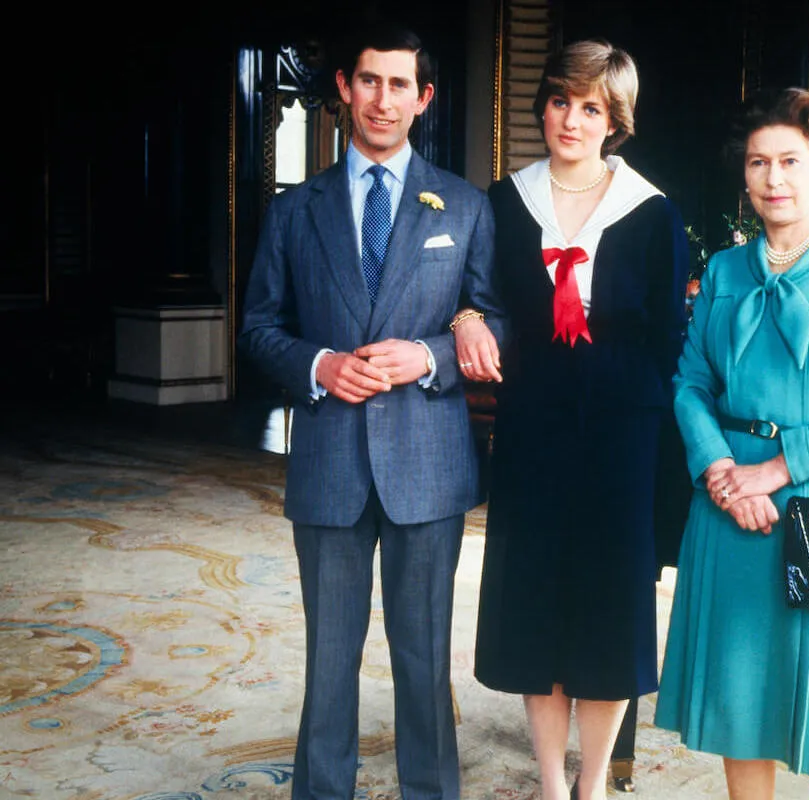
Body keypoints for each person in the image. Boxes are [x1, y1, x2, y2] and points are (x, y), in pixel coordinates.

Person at [239, 26, 504, 800]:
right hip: (327, 459)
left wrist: (431, 355)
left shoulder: (464, 204)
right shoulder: (296, 211)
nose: (381, 100)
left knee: (423, 657)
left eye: (399, 85)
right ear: (344, 92)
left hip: (428, 464)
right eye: (368, 82)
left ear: (423, 99)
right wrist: (318, 365)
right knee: (330, 658)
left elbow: (496, 318)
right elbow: (257, 328)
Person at [654, 87, 809, 800]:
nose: (774, 179)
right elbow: (690, 383)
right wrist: (720, 470)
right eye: (759, 163)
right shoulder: (727, 271)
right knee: (741, 691)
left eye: (790, 162)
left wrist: (775, 470)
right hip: (729, 497)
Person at [460, 39, 689, 800]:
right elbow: (477, 294)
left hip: (623, 432)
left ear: (614, 120)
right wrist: (466, 316)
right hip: (534, 425)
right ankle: (552, 785)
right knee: (537, 599)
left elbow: (669, 340)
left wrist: (643, 420)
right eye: (561, 101)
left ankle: (593, 784)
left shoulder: (652, 213)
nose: (571, 119)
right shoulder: (504, 199)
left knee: (608, 606)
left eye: (591, 107)